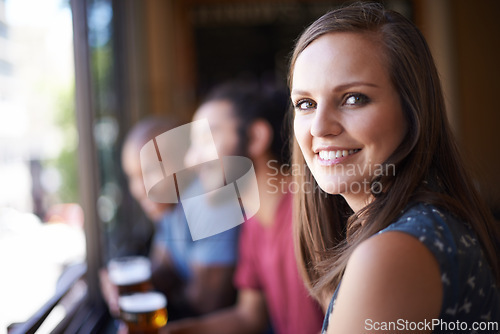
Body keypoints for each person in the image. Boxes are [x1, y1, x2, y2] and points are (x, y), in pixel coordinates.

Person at [289, 3, 500, 333]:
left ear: (412, 109)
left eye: (353, 98)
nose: (319, 127)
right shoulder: (419, 226)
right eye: (306, 103)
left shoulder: (392, 253)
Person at [165, 82, 323, 334]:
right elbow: (249, 316)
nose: (191, 160)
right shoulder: (254, 221)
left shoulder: (312, 215)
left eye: (206, 139)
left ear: (256, 137)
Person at [100, 116, 239, 321]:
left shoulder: (207, 201)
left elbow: (205, 302)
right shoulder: (169, 206)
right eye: (132, 177)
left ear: (183, 160)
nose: (140, 190)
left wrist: (148, 292)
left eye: (150, 172)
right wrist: (120, 283)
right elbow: (164, 268)